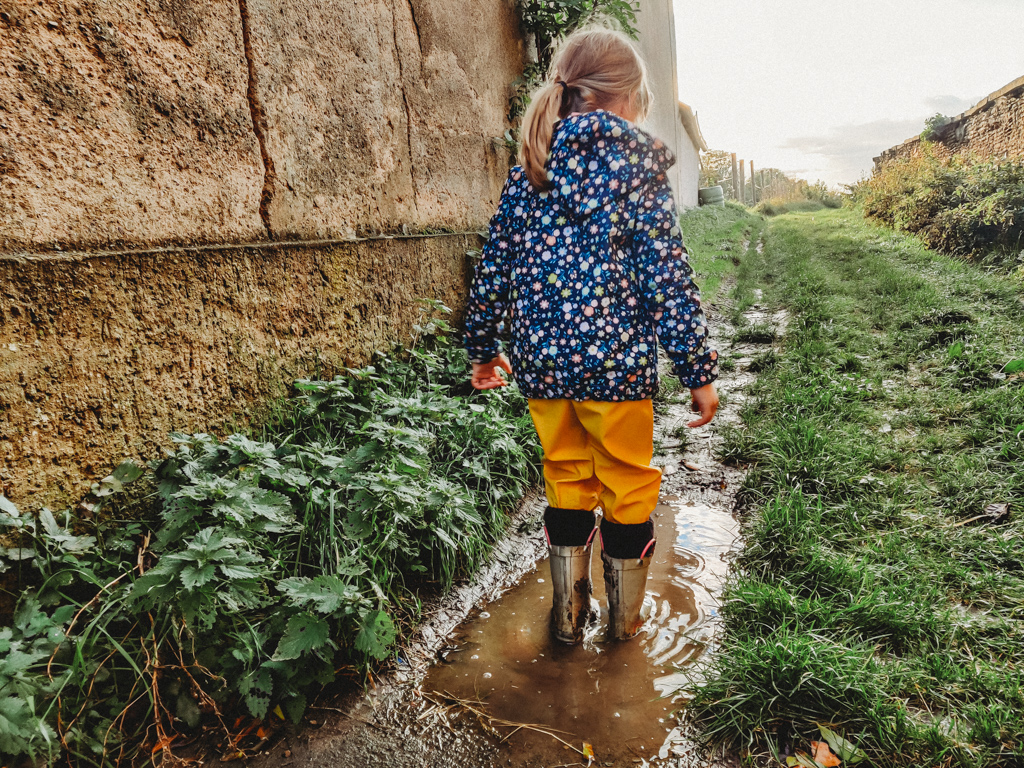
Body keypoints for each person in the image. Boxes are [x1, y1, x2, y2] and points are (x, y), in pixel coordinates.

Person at [464, 25, 719, 644]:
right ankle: (624, 633)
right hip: (615, 367)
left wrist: (481, 348)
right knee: (627, 484)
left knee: (565, 476)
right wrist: (698, 369)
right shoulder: (637, 164)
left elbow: (493, 261)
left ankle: (567, 621)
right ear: (629, 100)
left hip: (544, 367)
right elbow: (667, 275)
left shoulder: (533, 164)